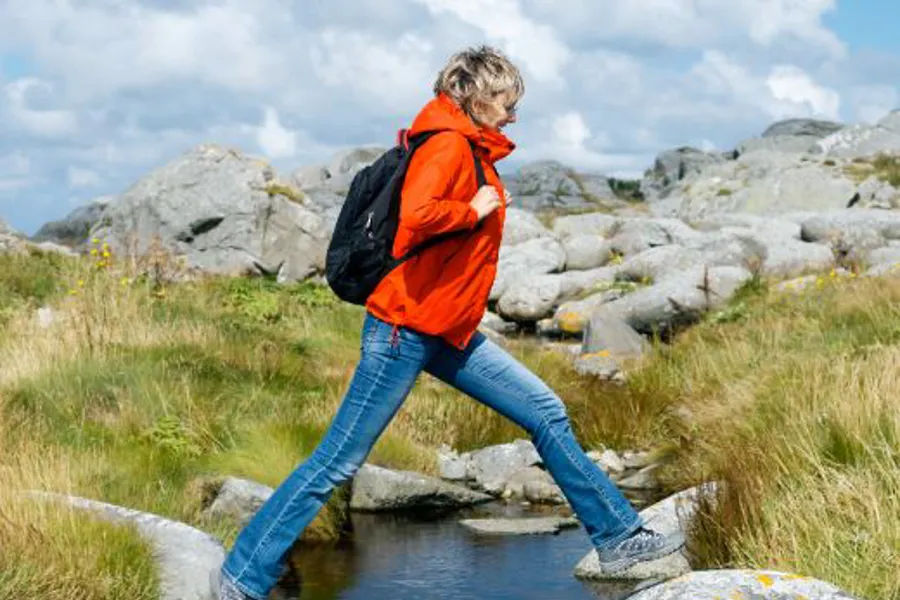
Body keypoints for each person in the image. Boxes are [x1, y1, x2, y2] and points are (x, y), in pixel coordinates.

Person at [217, 45, 683, 600]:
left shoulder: (468, 149)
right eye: (507, 101)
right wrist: (474, 210)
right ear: (476, 95)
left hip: (444, 331)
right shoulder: (446, 145)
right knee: (337, 462)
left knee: (544, 411)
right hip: (402, 331)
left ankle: (618, 536)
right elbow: (415, 217)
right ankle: (243, 575)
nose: (514, 114)